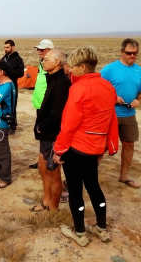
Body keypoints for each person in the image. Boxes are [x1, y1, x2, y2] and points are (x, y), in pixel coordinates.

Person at [53, 47, 118, 247]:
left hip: (76, 149)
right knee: (94, 186)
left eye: (73, 66)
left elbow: (69, 124)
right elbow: (110, 119)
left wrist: (58, 150)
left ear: (82, 67)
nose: (70, 70)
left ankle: (80, 233)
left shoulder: (79, 89)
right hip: (95, 148)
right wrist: (108, 146)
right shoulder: (108, 86)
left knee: (75, 191)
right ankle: (101, 228)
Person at [31, 49, 70, 211]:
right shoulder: (52, 78)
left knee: (53, 172)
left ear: (57, 63)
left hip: (55, 134)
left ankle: (53, 209)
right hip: (46, 134)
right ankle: (46, 201)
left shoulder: (62, 82)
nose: (43, 61)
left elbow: (58, 113)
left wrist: (42, 126)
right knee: (43, 168)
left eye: (46, 59)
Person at [101, 38, 141, 189]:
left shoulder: (139, 71)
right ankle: (87, 176)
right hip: (110, 114)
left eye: (135, 54)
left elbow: (140, 94)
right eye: (129, 53)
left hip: (129, 115)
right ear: (121, 52)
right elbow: (98, 89)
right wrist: (113, 97)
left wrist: (138, 101)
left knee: (129, 144)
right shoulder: (109, 70)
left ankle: (124, 176)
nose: (132, 56)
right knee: (102, 146)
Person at [29, 39, 54, 169]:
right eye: (38, 49)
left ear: (50, 50)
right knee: (41, 134)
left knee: (48, 134)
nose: (39, 51)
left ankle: (48, 161)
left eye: (42, 49)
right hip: (39, 105)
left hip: (47, 106)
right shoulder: (42, 63)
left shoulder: (54, 65)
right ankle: (42, 160)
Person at [0, 40, 25, 132]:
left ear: (13, 47)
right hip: (2, 85)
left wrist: (8, 70)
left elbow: (21, 73)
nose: (5, 49)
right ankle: (4, 124)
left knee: (11, 106)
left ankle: (12, 126)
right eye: (5, 47)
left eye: (7, 47)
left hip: (12, 86)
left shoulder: (18, 59)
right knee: (2, 104)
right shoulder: (5, 57)